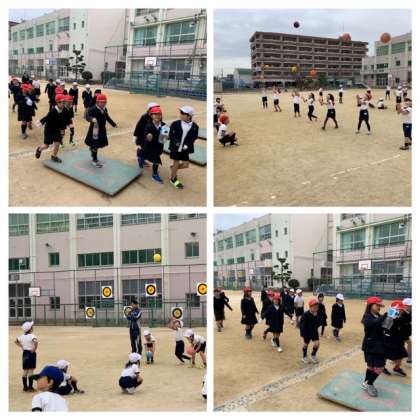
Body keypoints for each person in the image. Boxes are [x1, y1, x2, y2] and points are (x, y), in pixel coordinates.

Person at [361, 296, 387, 397]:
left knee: (372, 366)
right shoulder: (367, 316)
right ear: (370, 305)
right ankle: (369, 384)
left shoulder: (378, 316)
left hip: (378, 345)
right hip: (371, 345)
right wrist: (384, 317)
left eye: (380, 306)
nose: (379, 307)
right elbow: (371, 324)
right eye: (377, 305)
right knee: (379, 367)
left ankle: (366, 382)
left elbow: (384, 326)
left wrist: (390, 319)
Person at [168, 106, 199, 189]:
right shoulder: (175, 123)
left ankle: (173, 168)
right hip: (175, 148)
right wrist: (176, 142)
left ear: (189, 116)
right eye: (180, 113)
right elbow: (171, 134)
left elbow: (194, 137)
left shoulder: (195, 126)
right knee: (176, 162)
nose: (181, 115)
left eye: (183, 113)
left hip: (185, 149)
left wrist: (187, 145)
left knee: (186, 165)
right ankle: (173, 179)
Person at [85, 93, 117, 167]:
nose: (103, 104)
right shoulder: (93, 109)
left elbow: (107, 117)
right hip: (94, 130)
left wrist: (113, 124)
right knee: (95, 144)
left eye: (105, 102)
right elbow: (87, 116)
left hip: (102, 129)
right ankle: (94, 160)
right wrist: (92, 119)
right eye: (101, 102)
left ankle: (92, 150)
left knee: (98, 144)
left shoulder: (104, 109)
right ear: (97, 102)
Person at [35, 94, 67, 163]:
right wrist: (41, 122)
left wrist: (63, 129)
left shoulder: (64, 110)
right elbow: (47, 117)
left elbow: (63, 121)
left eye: (64, 102)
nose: (64, 104)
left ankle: (54, 156)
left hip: (57, 130)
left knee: (57, 143)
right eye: (62, 102)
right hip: (49, 130)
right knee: (46, 145)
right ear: (57, 102)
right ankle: (39, 149)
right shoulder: (53, 111)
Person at [142, 106, 168, 183]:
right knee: (148, 156)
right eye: (155, 114)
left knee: (155, 159)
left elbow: (165, 138)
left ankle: (154, 173)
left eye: (159, 114)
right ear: (151, 115)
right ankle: (155, 174)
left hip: (159, 147)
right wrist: (149, 136)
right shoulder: (148, 125)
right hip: (150, 146)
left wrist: (167, 136)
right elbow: (146, 136)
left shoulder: (164, 125)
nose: (157, 116)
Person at [383, 300, 408, 377]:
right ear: (394, 309)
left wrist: (397, 317)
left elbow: (404, 321)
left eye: (402, 309)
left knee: (401, 353)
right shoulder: (388, 315)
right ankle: (382, 367)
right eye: (400, 309)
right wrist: (392, 316)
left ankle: (397, 368)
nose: (402, 311)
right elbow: (386, 327)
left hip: (398, 339)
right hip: (388, 339)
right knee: (385, 354)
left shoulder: (402, 316)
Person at [133, 102, 158, 168]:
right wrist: (136, 136)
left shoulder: (155, 116)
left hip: (149, 136)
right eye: (154, 108)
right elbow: (138, 126)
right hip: (142, 136)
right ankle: (140, 158)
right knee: (143, 148)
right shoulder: (144, 116)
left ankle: (142, 159)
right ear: (149, 109)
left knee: (147, 148)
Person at [15, 321, 38, 392]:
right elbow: (35, 341)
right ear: (30, 329)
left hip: (25, 353)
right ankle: (30, 387)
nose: (33, 327)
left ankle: (25, 387)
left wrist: (22, 346)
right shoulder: (32, 336)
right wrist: (34, 348)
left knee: (25, 370)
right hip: (31, 353)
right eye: (32, 326)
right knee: (31, 370)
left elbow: (16, 341)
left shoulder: (21, 336)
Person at [300, 298, 321, 363]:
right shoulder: (305, 314)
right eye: (314, 306)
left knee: (317, 343)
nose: (316, 308)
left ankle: (313, 355)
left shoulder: (317, 314)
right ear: (310, 307)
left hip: (314, 331)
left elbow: (319, 323)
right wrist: (303, 333)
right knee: (306, 344)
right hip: (307, 332)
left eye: (317, 307)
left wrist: (316, 317)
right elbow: (302, 325)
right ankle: (304, 356)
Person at [401, 298, 412, 363]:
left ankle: (409, 357)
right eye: (410, 306)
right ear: (404, 305)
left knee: (410, 343)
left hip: (405, 333)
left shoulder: (410, 312)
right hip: (399, 333)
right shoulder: (400, 312)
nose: (411, 307)